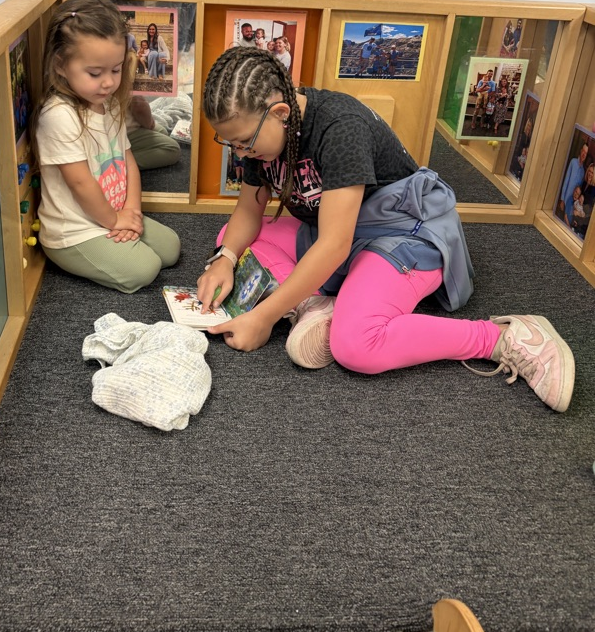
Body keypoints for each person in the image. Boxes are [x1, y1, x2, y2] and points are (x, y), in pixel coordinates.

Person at [195, 47, 575, 412]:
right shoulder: (262, 136)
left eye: (244, 143)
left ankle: (503, 338)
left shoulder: (340, 127)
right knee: (231, 238)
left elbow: (334, 245)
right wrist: (224, 259)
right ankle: (318, 304)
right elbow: (248, 212)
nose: (240, 153)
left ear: (280, 113)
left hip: (403, 236)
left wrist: (264, 317)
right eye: (231, 143)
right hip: (342, 232)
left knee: (356, 346)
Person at [30, 0, 180, 293]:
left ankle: (121, 232)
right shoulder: (58, 116)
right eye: (95, 73)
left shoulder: (109, 103)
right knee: (146, 269)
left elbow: (128, 161)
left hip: (113, 211)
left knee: (171, 248)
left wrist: (132, 210)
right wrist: (115, 221)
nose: (109, 83)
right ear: (60, 65)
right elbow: (80, 184)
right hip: (75, 233)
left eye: (116, 69)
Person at [126, 94, 181, 171]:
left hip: (125, 121)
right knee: (173, 150)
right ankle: (117, 163)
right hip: (120, 132)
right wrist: (148, 122)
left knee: (162, 131)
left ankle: (129, 152)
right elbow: (139, 105)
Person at [558, 141, 589, 223]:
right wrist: (562, 199)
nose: (584, 154)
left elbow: (579, 191)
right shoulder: (573, 162)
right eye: (583, 151)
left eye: (586, 153)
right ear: (580, 151)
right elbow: (566, 180)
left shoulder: (583, 171)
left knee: (566, 223)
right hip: (565, 200)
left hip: (572, 205)